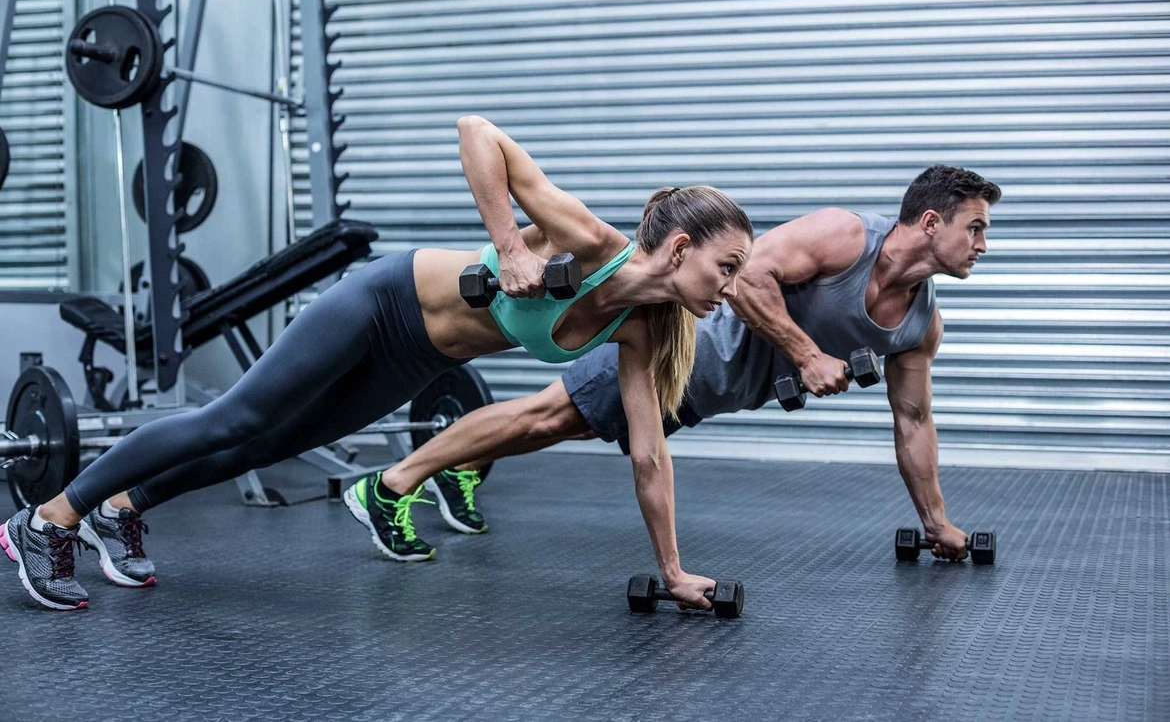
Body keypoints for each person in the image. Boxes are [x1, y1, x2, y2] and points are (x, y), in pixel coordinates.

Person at [0, 115, 754, 611]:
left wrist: (676, 569)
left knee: (271, 443)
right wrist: (514, 246)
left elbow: (650, 456)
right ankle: (46, 520)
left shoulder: (642, 333)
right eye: (727, 266)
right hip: (381, 301)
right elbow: (477, 132)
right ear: (681, 249)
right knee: (237, 417)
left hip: (417, 356)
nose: (731, 286)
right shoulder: (589, 240)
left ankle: (122, 508)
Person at [363, 165, 999, 562]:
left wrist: (936, 522)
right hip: (681, 350)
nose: (982, 244)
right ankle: (393, 484)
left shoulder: (920, 323)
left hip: (707, 395)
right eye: (975, 227)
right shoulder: (845, 236)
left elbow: (914, 420)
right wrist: (806, 355)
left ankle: (458, 470)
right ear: (931, 220)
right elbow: (747, 276)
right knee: (548, 416)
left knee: (567, 422)